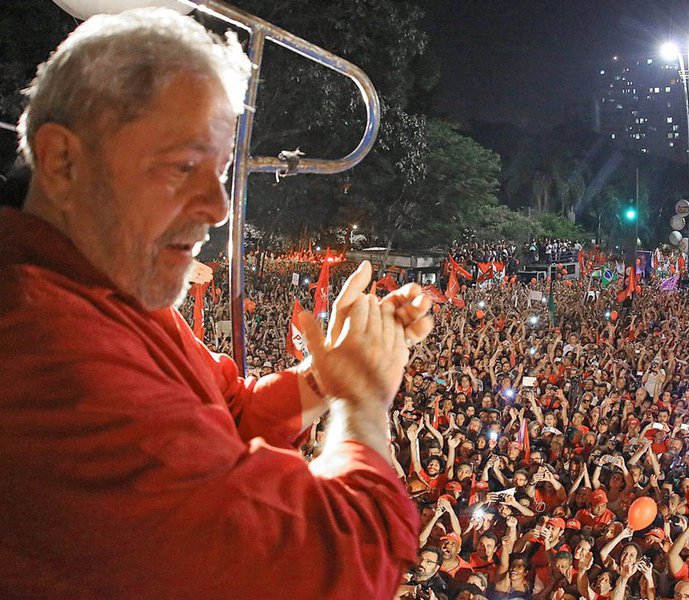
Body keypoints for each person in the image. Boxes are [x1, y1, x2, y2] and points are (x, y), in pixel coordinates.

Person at [0, 9, 432, 599]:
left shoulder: (110, 287)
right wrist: (363, 404)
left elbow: (223, 409)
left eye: (222, 169)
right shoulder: (44, 354)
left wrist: (322, 379)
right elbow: (327, 561)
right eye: (183, 166)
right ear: (62, 161)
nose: (218, 206)